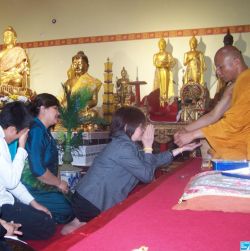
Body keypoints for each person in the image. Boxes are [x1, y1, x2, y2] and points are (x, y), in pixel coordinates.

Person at [61, 106, 201, 235]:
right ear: (128, 126)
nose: (144, 131)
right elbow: (147, 175)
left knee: (79, 225)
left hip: (88, 197)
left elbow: (151, 161)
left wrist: (180, 149)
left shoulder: (126, 144)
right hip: (92, 201)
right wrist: (148, 145)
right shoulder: (123, 147)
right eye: (142, 127)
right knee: (108, 231)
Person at [174, 45, 250, 160]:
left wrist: (193, 135)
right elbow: (213, 115)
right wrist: (186, 129)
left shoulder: (246, 82)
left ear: (236, 62)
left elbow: (233, 124)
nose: (218, 73)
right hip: (239, 139)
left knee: (210, 147)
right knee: (208, 145)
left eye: (220, 67)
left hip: (244, 144)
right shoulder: (233, 85)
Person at [0, 101, 55, 240]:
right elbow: (12, 182)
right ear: (13, 129)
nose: (23, 136)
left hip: (7, 199)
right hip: (2, 206)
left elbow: (11, 181)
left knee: (43, 216)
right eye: (24, 133)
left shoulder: (3, 140)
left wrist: (33, 203)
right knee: (46, 225)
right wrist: (22, 147)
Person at [21, 93, 74, 224]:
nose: (59, 113)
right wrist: (58, 183)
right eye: (56, 108)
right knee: (69, 209)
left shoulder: (44, 130)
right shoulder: (36, 130)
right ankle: (26, 209)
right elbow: (38, 170)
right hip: (32, 186)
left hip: (44, 184)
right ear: (43, 108)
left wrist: (58, 183)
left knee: (75, 202)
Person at [64, 51, 102, 118]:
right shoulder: (68, 82)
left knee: (93, 114)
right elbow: (65, 99)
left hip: (84, 111)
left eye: (80, 64)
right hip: (71, 111)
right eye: (75, 64)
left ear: (87, 66)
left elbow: (94, 101)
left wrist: (86, 105)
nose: (77, 67)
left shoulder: (92, 82)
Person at [0, 26, 31, 97]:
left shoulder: (19, 50)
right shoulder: (1, 53)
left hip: (14, 74)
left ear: (14, 38)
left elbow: (23, 66)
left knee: (18, 79)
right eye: (4, 36)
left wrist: (12, 73)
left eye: (9, 35)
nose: (6, 37)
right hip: (3, 75)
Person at [153, 38, 176, 106]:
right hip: (158, 72)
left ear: (165, 45)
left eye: (163, 44)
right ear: (158, 45)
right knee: (158, 86)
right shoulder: (156, 55)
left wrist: (166, 64)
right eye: (160, 44)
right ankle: (158, 101)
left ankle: (165, 101)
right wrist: (160, 64)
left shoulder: (168, 54)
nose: (162, 45)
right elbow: (154, 63)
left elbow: (173, 62)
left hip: (165, 71)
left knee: (165, 86)